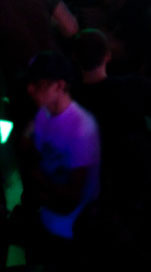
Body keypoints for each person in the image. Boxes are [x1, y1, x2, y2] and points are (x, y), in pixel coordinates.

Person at [23, 50, 100, 266]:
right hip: (49, 219)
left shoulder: (81, 129)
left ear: (59, 85)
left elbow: (72, 197)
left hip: (70, 232)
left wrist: (38, 184)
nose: (30, 89)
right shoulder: (43, 113)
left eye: (39, 84)